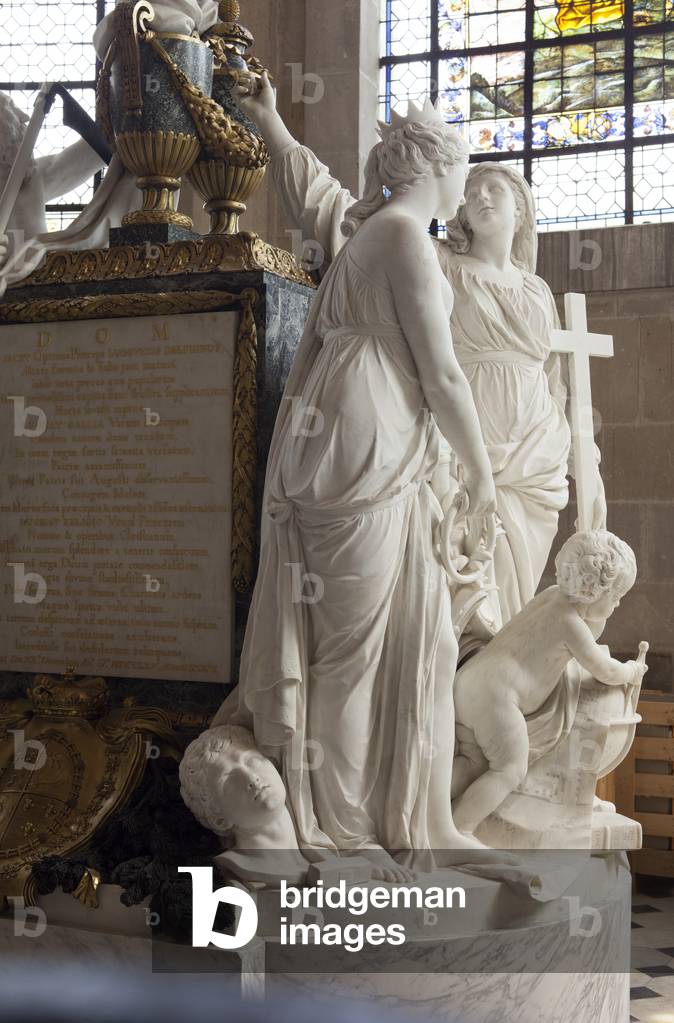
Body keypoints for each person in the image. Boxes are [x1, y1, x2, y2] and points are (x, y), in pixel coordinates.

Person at [214, 102, 497, 878]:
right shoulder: (403, 235)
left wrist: (272, 124)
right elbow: (440, 373)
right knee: (353, 653)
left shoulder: (378, 232)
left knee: (428, 640)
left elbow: (316, 192)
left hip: (370, 444)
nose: (466, 186)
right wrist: (482, 471)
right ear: (435, 168)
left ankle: (425, 816)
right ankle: (341, 832)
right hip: (362, 456)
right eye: (464, 169)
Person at [232, 74, 607, 628]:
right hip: (468, 441)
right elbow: (333, 209)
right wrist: (275, 127)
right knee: (469, 598)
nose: (477, 194)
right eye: (471, 186)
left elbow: (551, 374)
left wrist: (581, 447)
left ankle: (503, 693)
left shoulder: (535, 291)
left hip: (536, 457)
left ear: (523, 209)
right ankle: (467, 696)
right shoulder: (431, 256)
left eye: (494, 189)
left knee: (518, 597)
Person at [450, 530, 647, 836]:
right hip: (498, 699)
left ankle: (426, 805)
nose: (617, 605)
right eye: (616, 598)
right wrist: (631, 671)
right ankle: (461, 829)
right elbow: (604, 670)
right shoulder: (571, 625)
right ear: (594, 592)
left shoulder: (552, 595)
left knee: (473, 761)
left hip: (470, 681)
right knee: (509, 769)